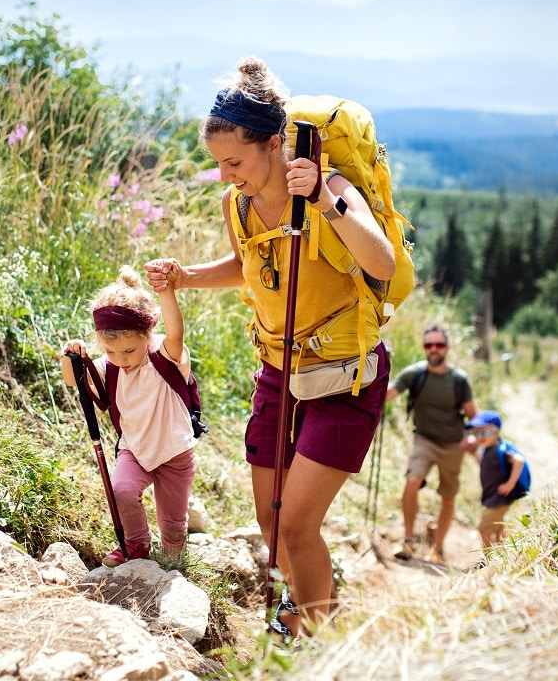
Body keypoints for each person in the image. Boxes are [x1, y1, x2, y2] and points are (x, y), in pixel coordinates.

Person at [144, 56, 395, 638]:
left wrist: (328, 203)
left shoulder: (329, 187)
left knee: (298, 526)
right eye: (219, 164)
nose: (227, 174)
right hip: (278, 371)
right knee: (271, 520)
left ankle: (315, 638)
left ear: (276, 144)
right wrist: (186, 277)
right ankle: (305, 611)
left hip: (344, 377)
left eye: (235, 161)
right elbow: (248, 264)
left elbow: (380, 260)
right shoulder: (238, 203)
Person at [61, 265, 197, 567]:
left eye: (129, 351)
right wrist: (69, 356)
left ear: (148, 335)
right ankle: (136, 544)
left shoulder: (164, 356)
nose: (121, 360)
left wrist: (166, 291)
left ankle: (175, 559)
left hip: (174, 452)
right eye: (110, 351)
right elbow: (73, 380)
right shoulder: (109, 368)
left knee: (173, 524)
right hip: (134, 448)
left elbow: (176, 331)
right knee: (122, 490)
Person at [384, 325, 477, 564]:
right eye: (429, 345)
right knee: (412, 480)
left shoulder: (459, 380)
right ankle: (408, 540)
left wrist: (475, 438)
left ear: (447, 347)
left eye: (439, 345)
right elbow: (387, 395)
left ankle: (438, 548)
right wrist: (378, 369)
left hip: (453, 445)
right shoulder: (414, 374)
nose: (434, 350)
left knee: (448, 497)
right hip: (424, 440)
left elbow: (473, 416)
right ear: (424, 348)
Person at [468, 409, 528, 550]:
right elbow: (484, 465)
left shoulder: (499, 450)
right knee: (498, 527)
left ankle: (489, 559)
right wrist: (473, 454)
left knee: (483, 529)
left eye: (483, 432)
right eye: (476, 433)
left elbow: (519, 461)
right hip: (493, 497)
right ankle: (505, 553)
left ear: (496, 432)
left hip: (500, 498)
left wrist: (510, 483)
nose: (479, 437)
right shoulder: (487, 450)